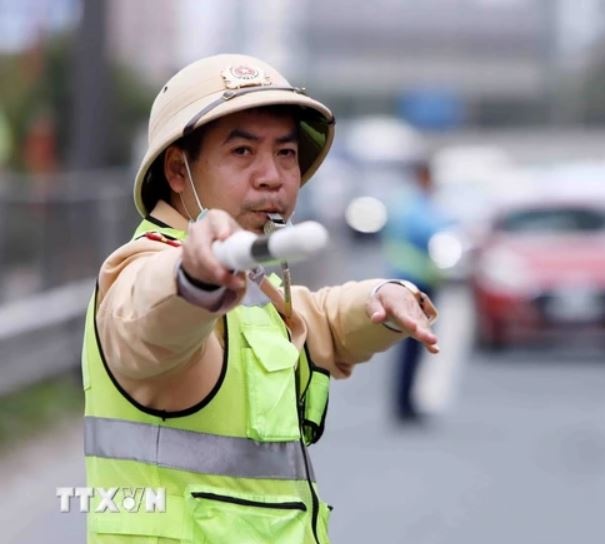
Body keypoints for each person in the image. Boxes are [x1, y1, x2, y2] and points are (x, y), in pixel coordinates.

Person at [81, 54, 439, 543]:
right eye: (243, 152)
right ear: (178, 170)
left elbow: (319, 322)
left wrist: (384, 296)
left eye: (286, 154)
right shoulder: (145, 266)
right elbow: (144, 319)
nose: (272, 176)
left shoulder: (252, 275)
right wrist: (193, 277)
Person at [383, 160, 451, 424]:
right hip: (413, 281)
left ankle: (405, 401)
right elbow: (430, 231)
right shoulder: (414, 204)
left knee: (412, 347)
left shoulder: (406, 201)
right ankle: (404, 404)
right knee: (412, 347)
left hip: (412, 279)